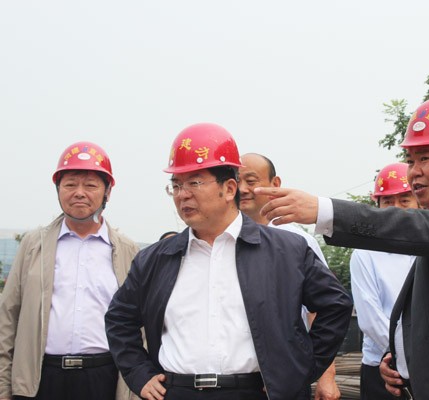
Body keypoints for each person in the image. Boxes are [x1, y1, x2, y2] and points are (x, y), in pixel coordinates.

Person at [255, 96, 429, 399]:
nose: (414, 172)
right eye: (411, 161)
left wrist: (324, 211)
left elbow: (423, 228)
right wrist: (401, 357)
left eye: (425, 158)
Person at [105, 123, 353, 400]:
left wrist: (299, 369)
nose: (182, 194)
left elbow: (335, 305)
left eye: (195, 182)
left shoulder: (286, 251)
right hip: (177, 391)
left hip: (258, 392)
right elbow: (119, 319)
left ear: (229, 188)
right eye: (176, 185)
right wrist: (139, 373)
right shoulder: (155, 259)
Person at [0, 141, 139, 400]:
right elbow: (7, 318)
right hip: (40, 378)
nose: (79, 193)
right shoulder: (34, 245)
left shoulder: (127, 251)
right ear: (58, 189)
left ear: (108, 192)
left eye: (90, 185)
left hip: (103, 377)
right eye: (70, 184)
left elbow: (138, 326)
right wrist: (3, 389)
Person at [238, 152, 341, 400]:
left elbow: (320, 309)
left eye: (251, 181)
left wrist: (326, 376)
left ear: (275, 184)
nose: (242, 189)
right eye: (236, 181)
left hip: (285, 375)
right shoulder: (220, 241)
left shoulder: (298, 242)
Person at [349, 162, 418, 400]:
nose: (396, 209)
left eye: (404, 200)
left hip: (427, 365)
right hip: (383, 365)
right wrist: (404, 355)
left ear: (418, 201)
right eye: (388, 201)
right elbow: (371, 320)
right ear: (377, 205)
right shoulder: (365, 253)